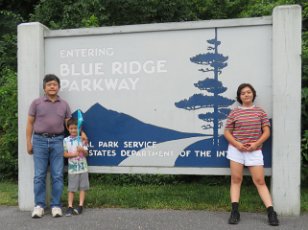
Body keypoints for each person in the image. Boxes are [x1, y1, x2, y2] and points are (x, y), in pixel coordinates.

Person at [224, 83, 279, 226]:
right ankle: (235, 211)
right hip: (236, 150)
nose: (246, 95)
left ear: (253, 94)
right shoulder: (234, 112)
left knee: (260, 181)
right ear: (239, 97)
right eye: (243, 93)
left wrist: (255, 144)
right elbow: (227, 132)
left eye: (248, 92)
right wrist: (237, 144)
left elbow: (266, 132)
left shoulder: (260, 112)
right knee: (236, 179)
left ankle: (271, 212)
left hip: (254, 151)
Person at [26, 74, 71, 218]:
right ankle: (39, 205)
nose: (52, 87)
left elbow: (69, 124)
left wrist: (80, 133)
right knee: (39, 175)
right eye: (49, 84)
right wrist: (28, 142)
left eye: (55, 84)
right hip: (39, 141)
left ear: (58, 87)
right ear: (44, 87)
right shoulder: (36, 103)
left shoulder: (64, 104)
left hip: (58, 141)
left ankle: (56, 205)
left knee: (57, 175)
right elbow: (30, 123)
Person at [63, 118, 89, 217]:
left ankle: (80, 205)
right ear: (68, 129)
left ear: (78, 129)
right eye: (71, 128)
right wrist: (73, 155)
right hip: (72, 169)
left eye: (75, 128)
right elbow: (64, 154)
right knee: (72, 188)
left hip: (83, 167)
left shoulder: (82, 139)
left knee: (82, 187)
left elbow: (86, 153)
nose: (73, 130)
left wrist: (82, 149)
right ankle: (70, 206)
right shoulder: (65, 140)